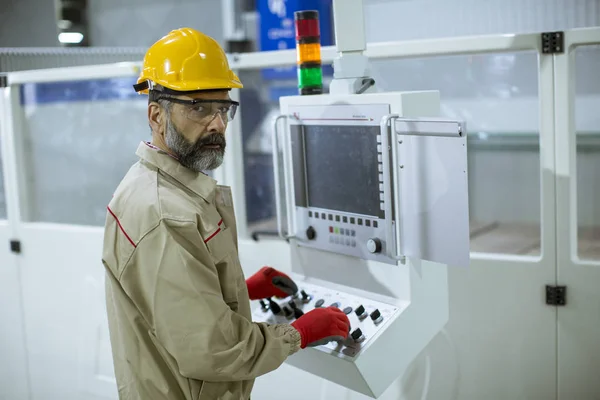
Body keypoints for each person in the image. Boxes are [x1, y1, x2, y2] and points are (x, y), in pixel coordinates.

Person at [102, 27, 351, 400]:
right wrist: (299, 334)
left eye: (223, 108)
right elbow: (214, 350)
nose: (217, 124)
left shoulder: (160, 185)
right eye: (199, 107)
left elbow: (167, 302)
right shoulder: (167, 213)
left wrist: (238, 290)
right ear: (156, 115)